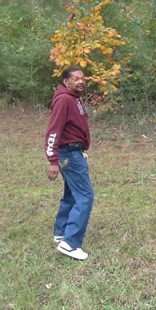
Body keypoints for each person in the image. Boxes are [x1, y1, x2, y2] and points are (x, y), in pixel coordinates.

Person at [44, 67, 93, 260]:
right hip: (69, 154)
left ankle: (61, 232)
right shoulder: (64, 100)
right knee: (85, 196)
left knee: (72, 193)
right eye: (75, 79)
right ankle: (71, 244)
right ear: (66, 82)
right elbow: (52, 131)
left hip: (74, 152)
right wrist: (53, 161)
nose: (80, 81)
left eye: (82, 78)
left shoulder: (74, 98)